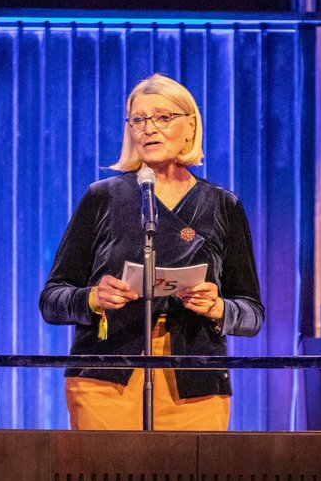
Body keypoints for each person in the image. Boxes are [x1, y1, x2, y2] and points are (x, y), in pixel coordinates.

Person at [39, 73, 264, 431]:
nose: (149, 129)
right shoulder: (102, 197)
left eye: (163, 117)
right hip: (105, 380)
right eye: (139, 120)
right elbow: (52, 299)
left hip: (195, 387)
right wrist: (94, 298)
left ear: (190, 127)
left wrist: (219, 307)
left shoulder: (223, 206)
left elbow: (252, 313)